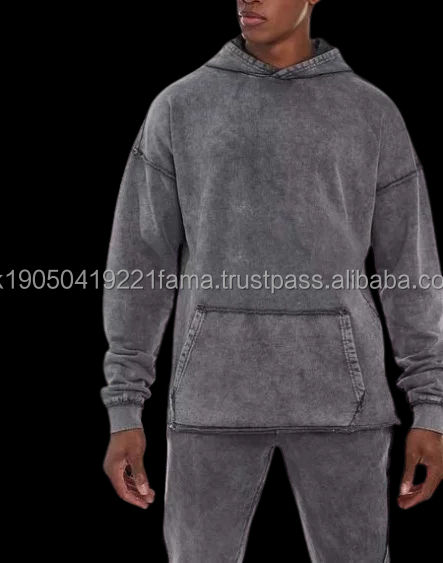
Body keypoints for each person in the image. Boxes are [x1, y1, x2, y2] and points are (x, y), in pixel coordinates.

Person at [100, 1, 443, 561]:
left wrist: (430, 407)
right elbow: (139, 264)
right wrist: (124, 407)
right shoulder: (180, 107)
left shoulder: (370, 112)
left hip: (345, 404)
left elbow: (410, 269)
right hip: (211, 401)